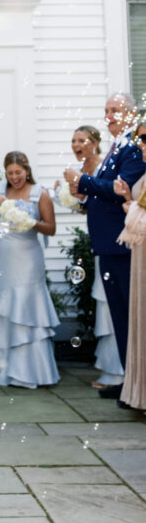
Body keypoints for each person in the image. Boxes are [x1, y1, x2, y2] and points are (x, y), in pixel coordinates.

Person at [64, 93, 143, 399]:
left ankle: (136, 383)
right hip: (108, 245)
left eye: (116, 110)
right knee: (120, 318)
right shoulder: (115, 146)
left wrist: (83, 181)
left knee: (130, 317)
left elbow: (119, 188)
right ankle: (129, 381)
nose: (109, 115)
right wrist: (84, 194)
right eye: (106, 110)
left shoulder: (133, 148)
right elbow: (107, 190)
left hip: (123, 245)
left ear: (131, 114)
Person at [0, 151, 59, 388]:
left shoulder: (40, 193)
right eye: (10, 173)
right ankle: (3, 369)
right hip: (3, 258)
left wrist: (32, 223)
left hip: (28, 259)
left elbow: (51, 228)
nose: (15, 177)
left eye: (18, 172)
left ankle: (31, 371)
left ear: (27, 170)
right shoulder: (0, 194)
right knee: (4, 309)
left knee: (26, 306)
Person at [58, 125, 124, 389]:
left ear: (95, 143)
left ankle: (117, 372)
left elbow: (110, 196)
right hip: (99, 242)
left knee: (110, 306)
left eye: (82, 140)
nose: (77, 145)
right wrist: (77, 201)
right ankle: (112, 369)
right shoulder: (81, 172)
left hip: (111, 243)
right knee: (105, 304)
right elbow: (93, 206)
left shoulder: (103, 168)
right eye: (73, 140)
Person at [114, 118, 146, 411]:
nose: (141, 145)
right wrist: (128, 197)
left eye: (145, 138)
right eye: (139, 139)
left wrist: (131, 207)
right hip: (140, 253)